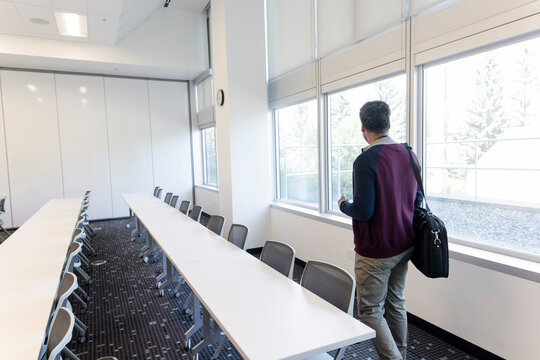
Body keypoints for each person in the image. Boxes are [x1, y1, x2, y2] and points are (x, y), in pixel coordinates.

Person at [338, 100, 422, 360]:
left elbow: (363, 211)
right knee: (395, 301)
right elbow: (417, 199)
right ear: (389, 123)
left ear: (363, 127)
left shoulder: (365, 160)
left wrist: (343, 205)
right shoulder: (409, 154)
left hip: (376, 251)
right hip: (405, 244)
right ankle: (400, 355)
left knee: (370, 310)